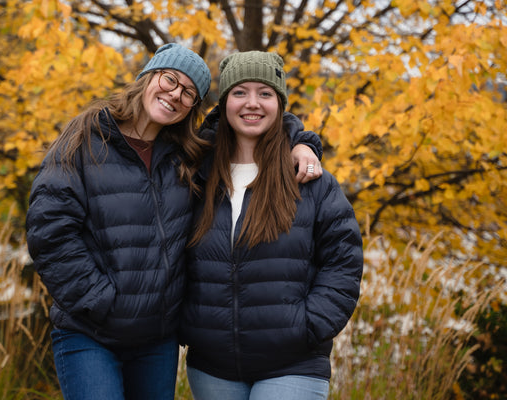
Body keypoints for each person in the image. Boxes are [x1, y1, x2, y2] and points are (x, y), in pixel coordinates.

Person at [25, 43, 323, 400]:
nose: (175, 95)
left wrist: (302, 141)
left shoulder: (189, 154)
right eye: (170, 80)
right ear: (148, 76)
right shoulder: (86, 138)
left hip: (156, 338)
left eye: (189, 94)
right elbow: (50, 231)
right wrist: (99, 301)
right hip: (90, 332)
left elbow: (251, 119)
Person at [180, 51, 364, 400]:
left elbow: (344, 260)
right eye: (240, 92)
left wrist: (308, 326)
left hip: (292, 364)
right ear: (224, 103)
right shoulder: (195, 175)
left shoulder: (310, 180)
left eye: (265, 93)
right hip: (212, 366)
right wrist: (190, 324)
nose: (253, 103)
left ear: (279, 103)